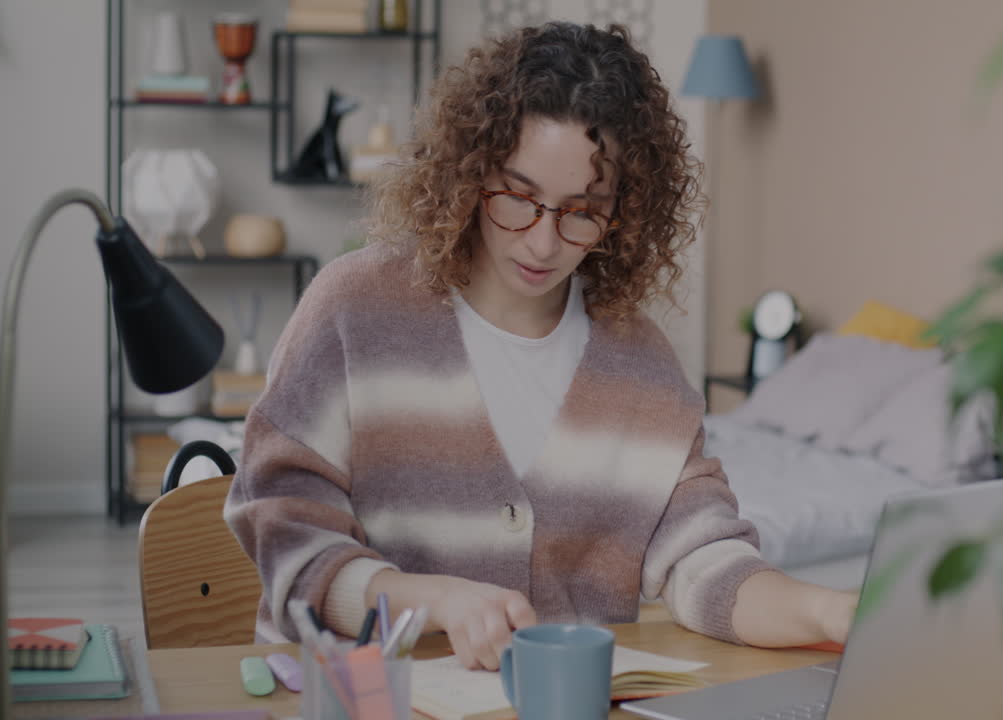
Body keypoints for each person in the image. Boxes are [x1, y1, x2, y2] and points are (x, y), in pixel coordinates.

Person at [225, 21, 856, 671]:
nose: (543, 242)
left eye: (581, 210)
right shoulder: (354, 309)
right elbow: (291, 541)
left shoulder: (640, 365)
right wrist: (433, 600)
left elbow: (707, 561)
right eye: (519, 197)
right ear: (470, 172)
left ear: (623, 211)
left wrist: (829, 612)